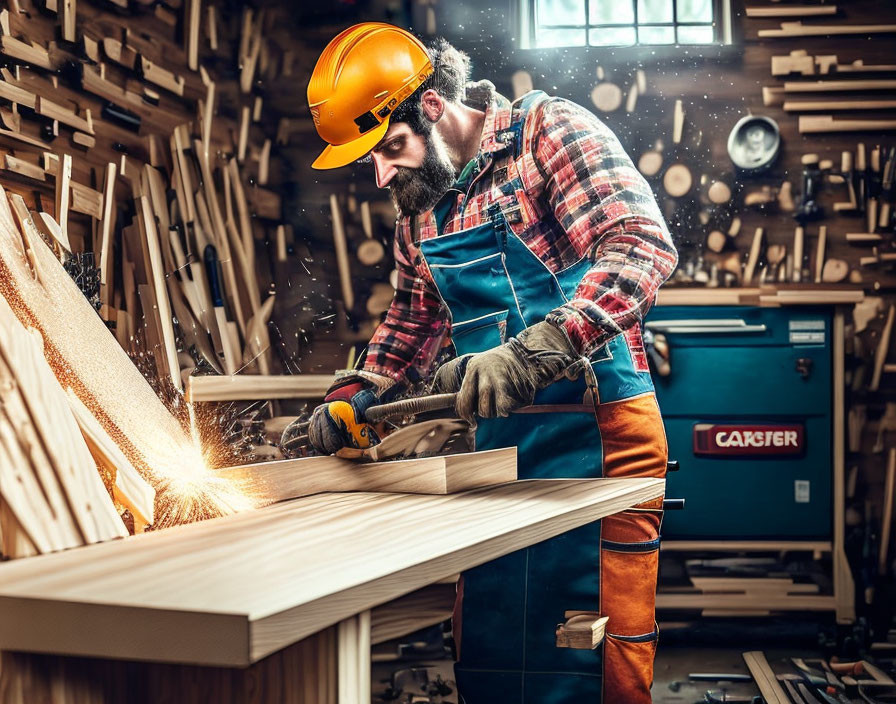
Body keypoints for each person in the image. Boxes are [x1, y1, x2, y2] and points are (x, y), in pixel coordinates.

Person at [295, 21, 678, 703]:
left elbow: (642, 245)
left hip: (601, 438)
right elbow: (412, 319)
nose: (382, 173)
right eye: (372, 162)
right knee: (496, 655)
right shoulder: (418, 212)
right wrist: (358, 388)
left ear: (434, 108)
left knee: (595, 660)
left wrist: (542, 348)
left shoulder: (548, 134)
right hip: (498, 453)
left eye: (391, 148)